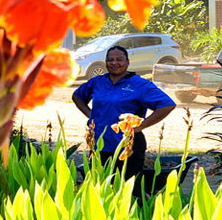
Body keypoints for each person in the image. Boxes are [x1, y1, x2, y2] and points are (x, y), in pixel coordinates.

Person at [72, 44, 176, 179]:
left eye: (119, 59)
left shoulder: (140, 85)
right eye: (110, 60)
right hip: (99, 145)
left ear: (127, 62)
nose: (114, 63)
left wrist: (141, 126)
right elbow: (77, 96)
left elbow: (167, 105)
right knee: (99, 187)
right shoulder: (98, 82)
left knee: (127, 190)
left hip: (128, 146)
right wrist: (92, 116)